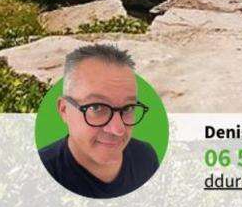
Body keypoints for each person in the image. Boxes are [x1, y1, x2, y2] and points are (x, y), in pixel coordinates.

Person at [39, 44, 159, 198]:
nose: (118, 129)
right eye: (96, 108)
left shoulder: (146, 157)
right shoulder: (37, 175)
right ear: (64, 110)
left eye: (128, 108)